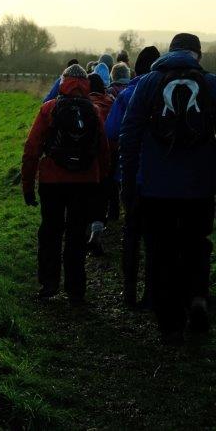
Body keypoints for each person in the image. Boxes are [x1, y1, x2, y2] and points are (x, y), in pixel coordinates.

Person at [120, 33, 216, 343]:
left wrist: (129, 182)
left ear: (169, 52)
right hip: (200, 187)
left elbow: (129, 133)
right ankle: (198, 296)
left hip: (155, 187)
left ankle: (170, 323)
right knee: (196, 242)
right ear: (197, 55)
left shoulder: (148, 83)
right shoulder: (211, 84)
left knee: (161, 250)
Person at [23, 64, 110, 303]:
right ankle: (76, 288)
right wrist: (101, 183)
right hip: (85, 182)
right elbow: (103, 150)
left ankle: (49, 284)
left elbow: (31, 150)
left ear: (63, 82)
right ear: (85, 85)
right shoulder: (93, 110)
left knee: (50, 232)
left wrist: (28, 186)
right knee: (76, 234)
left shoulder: (49, 109)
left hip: (52, 181)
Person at [105, 46, 160, 307]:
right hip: (159, 179)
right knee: (154, 238)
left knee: (131, 233)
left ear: (136, 69)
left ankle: (128, 292)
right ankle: (151, 293)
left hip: (130, 177)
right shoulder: (164, 94)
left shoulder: (127, 94)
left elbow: (112, 131)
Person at [86, 73, 115, 256]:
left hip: (85, 160)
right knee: (101, 197)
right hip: (106, 157)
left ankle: (84, 229)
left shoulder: (84, 106)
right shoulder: (111, 103)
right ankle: (97, 229)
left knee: (86, 196)